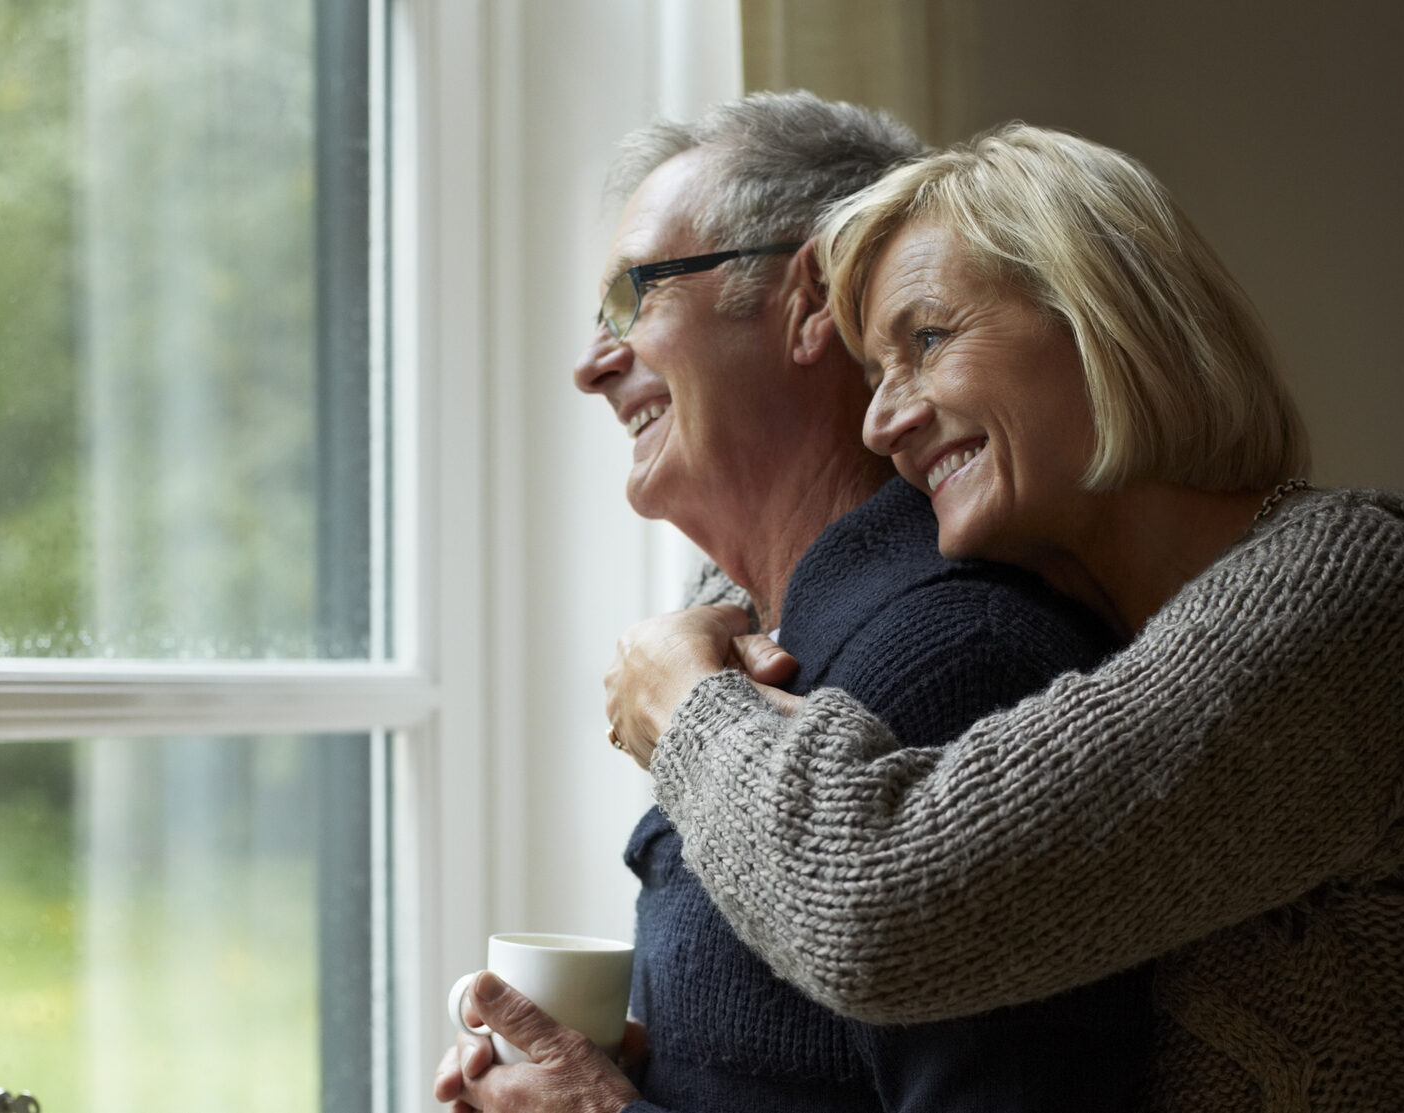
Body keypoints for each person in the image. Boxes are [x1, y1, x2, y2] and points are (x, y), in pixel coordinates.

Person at [601, 123, 1404, 1112]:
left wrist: (684, 703)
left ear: (1100, 318)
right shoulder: (1138, 641)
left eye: (930, 340)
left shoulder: (1361, 596)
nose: (882, 419)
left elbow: (881, 909)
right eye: (874, 372)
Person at [435, 94, 1152, 1113]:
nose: (592, 366)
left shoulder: (957, 659)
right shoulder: (769, 645)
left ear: (812, 298)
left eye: (636, 299)